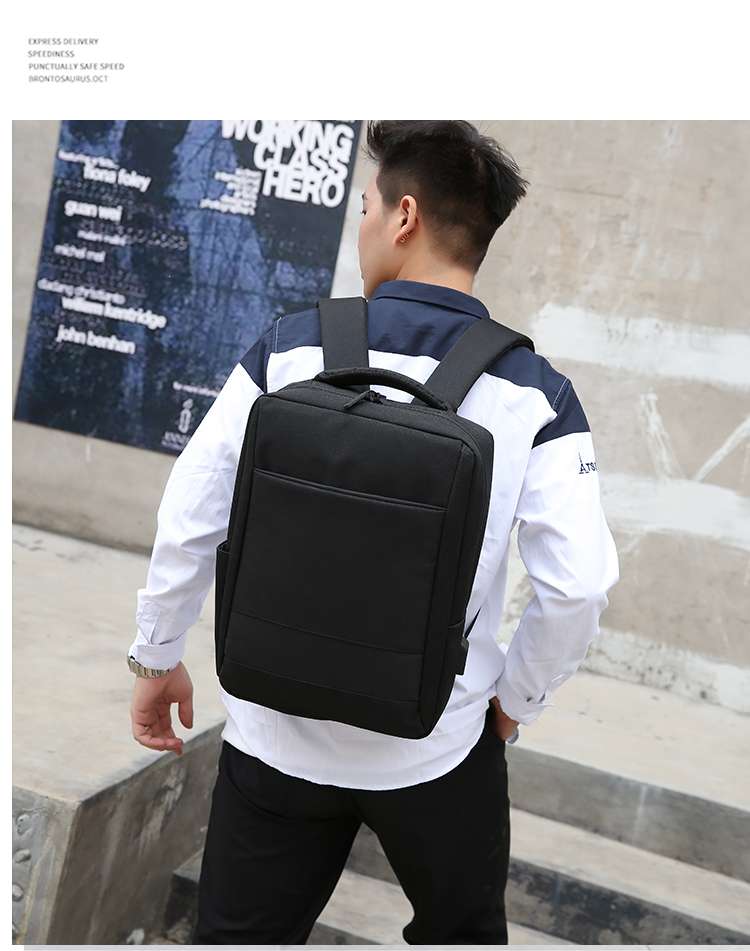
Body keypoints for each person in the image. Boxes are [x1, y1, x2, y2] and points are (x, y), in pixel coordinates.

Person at [127, 120, 619, 945]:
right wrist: (512, 704)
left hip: (277, 740)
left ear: (405, 216)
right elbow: (578, 588)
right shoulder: (536, 393)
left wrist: (156, 653)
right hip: (437, 748)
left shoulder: (289, 348)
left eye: (366, 207)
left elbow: (193, 513)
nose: (362, 226)